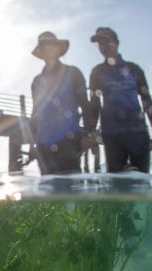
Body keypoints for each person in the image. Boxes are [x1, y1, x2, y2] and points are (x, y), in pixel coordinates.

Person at [88, 27, 152, 173]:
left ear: (117, 43)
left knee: (142, 180)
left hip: (138, 133)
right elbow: (94, 104)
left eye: (106, 41)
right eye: (99, 44)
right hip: (112, 135)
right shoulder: (97, 72)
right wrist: (91, 132)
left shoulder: (134, 69)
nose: (103, 46)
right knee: (116, 183)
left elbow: (146, 100)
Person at [30, 31, 91, 175]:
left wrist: (89, 134)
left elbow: (85, 105)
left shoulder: (73, 73)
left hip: (68, 141)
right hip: (43, 145)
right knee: (48, 191)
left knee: (70, 189)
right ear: (41, 53)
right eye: (44, 46)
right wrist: (32, 143)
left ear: (58, 48)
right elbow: (35, 113)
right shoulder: (36, 81)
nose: (48, 49)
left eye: (51, 45)